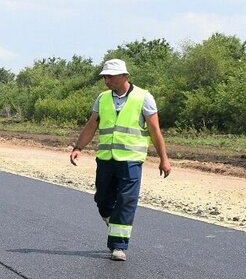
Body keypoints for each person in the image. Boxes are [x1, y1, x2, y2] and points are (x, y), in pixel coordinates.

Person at [69, 59, 171, 260]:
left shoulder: (144, 97)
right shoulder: (102, 98)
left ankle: (118, 246)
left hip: (131, 160)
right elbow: (92, 126)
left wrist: (163, 158)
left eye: (110, 76)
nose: (107, 80)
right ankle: (113, 219)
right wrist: (78, 147)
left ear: (124, 76)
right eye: (105, 77)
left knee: (125, 200)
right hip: (106, 159)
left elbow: (154, 130)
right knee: (103, 200)